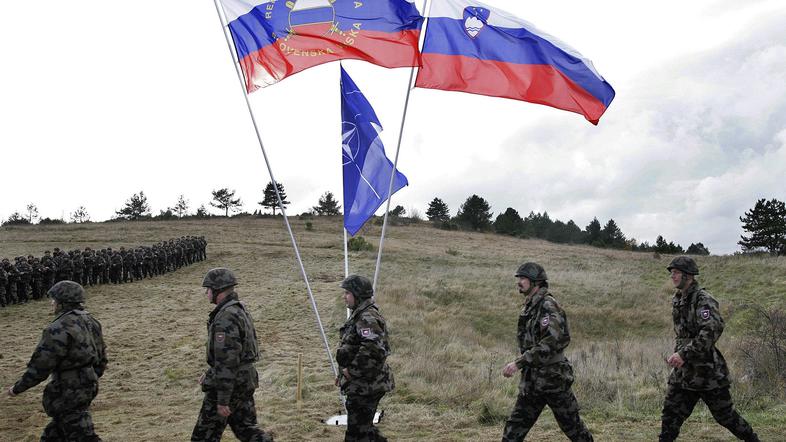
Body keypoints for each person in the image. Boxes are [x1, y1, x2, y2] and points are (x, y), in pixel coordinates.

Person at [659, 256, 759, 441]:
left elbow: (711, 330)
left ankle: (752, 439)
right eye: (671, 273)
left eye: (676, 273)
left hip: (707, 373)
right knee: (670, 414)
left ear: (688, 276)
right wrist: (679, 355)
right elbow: (683, 334)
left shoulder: (703, 299)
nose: (672, 277)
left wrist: (683, 354)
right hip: (684, 372)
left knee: (726, 417)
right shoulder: (679, 299)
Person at [501, 262, 593, 442]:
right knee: (514, 430)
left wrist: (519, 363)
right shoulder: (530, 306)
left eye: (523, 278)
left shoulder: (548, 306)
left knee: (574, 429)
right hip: (532, 381)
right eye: (519, 278)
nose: (519, 282)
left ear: (535, 282)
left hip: (553, 380)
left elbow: (551, 342)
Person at [7, 280, 107, 441]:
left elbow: (40, 367)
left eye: (54, 299)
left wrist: (17, 388)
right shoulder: (91, 321)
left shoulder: (57, 328)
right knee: (55, 434)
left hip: (67, 391)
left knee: (83, 435)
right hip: (87, 385)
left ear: (62, 302)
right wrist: (89, 377)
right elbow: (101, 359)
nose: (51, 303)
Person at [192, 268, 273, 442]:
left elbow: (227, 361)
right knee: (247, 430)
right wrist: (210, 373)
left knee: (203, 437)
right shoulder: (238, 309)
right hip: (243, 381)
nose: (206, 292)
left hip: (230, 384)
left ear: (218, 291)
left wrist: (222, 400)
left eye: (208, 289)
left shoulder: (225, 317)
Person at [335, 275, 394, 442]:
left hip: (367, 386)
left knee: (357, 435)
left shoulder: (367, 317)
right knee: (364, 430)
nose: (344, 297)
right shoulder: (361, 314)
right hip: (362, 384)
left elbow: (373, 350)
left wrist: (351, 372)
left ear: (358, 294)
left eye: (347, 293)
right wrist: (343, 373)